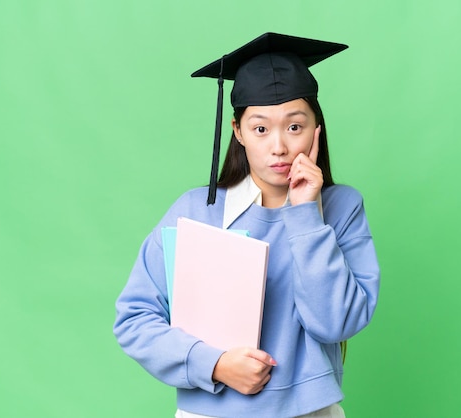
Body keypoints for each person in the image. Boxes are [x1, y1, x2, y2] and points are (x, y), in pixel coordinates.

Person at [113, 32, 380, 418]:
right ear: (237, 131)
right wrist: (214, 364)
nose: (279, 147)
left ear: (316, 129)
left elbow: (335, 324)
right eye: (260, 129)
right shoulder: (196, 211)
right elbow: (134, 319)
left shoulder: (341, 208)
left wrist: (306, 213)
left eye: (294, 126)